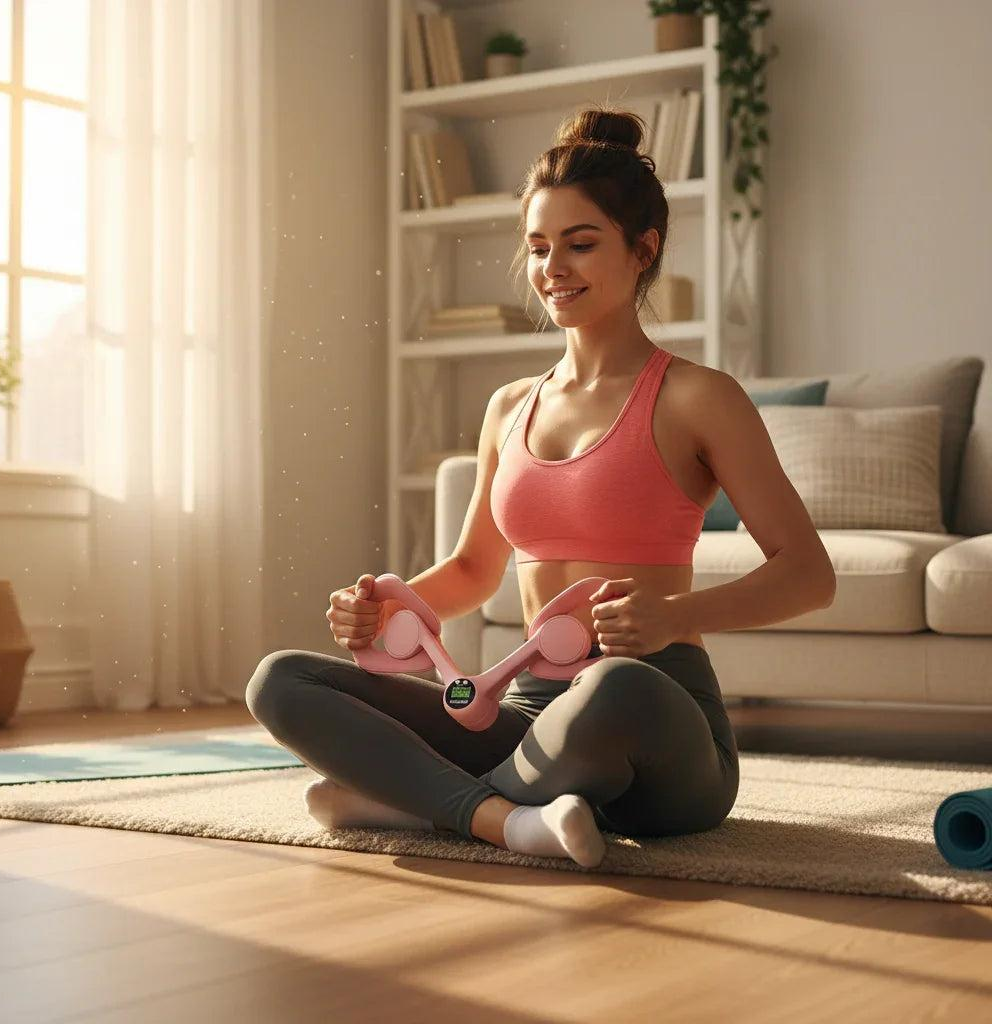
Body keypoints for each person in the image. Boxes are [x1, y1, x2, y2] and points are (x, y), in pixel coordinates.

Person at [246, 104, 837, 869]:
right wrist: (387, 608)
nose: (553, 268)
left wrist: (673, 617)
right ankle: (507, 816)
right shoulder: (508, 407)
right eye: (537, 248)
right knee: (281, 681)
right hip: (520, 712)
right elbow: (471, 573)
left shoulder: (698, 397)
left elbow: (808, 574)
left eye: (580, 244)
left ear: (642, 248)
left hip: (652, 714)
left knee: (611, 686)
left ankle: (423, 806)